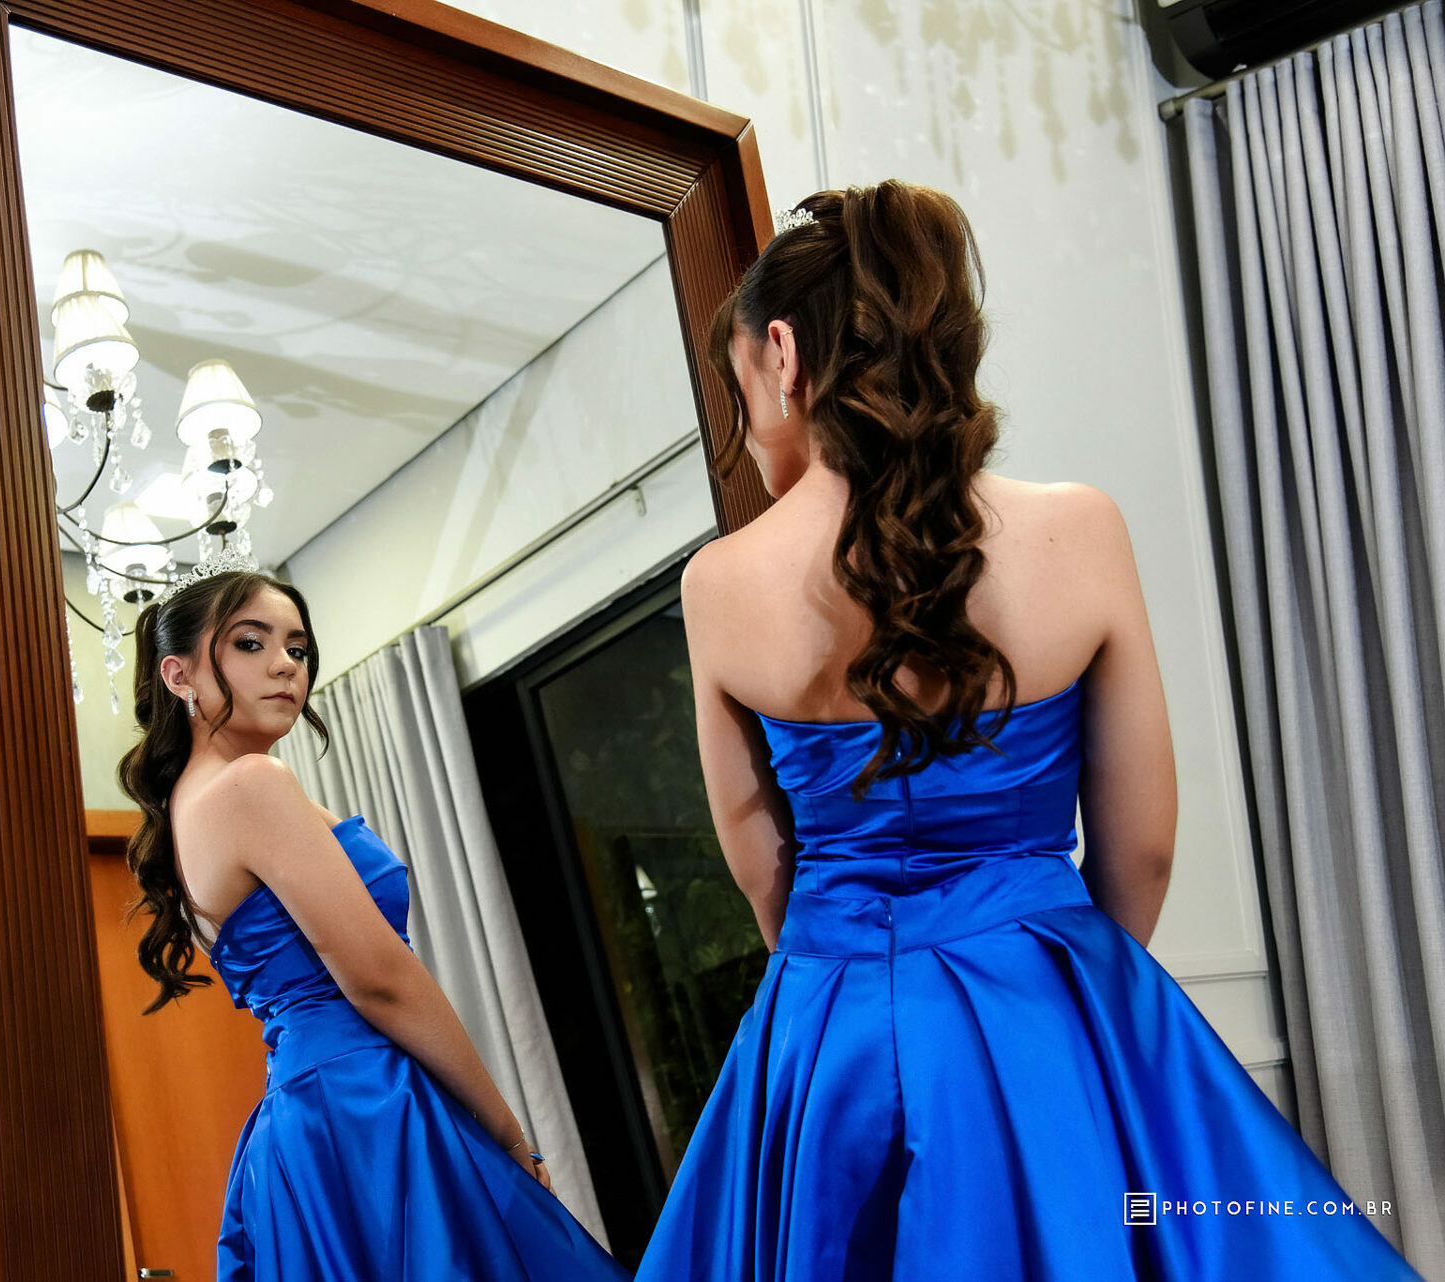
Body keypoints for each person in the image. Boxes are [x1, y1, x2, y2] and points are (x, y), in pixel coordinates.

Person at [635, 182, 1422, 1280]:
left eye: (741, 392)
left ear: (782, 354)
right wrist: (1073, 995)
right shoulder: (1079, 529)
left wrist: (844, 971)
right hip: (1048, 997)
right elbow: (1143, 847)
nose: (748, 428)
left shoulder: (718, 585)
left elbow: (762, 868)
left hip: (834, 1023)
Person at [118, 566, 628, 1282]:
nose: (285, 666)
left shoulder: (189, 810)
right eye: (250, 643)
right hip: (364, 1099)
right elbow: (380, 979)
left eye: (297, 648)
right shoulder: (252, 785)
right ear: (179, 675)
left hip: (311, 1110)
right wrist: (508, 1132)